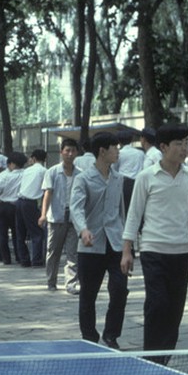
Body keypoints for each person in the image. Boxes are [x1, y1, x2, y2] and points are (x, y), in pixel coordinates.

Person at [121, 123, 188, 361]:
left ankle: (165, 358)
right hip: (153, 250)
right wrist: (127, 251)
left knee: (175, 309)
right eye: (178, 144)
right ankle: (152, 357)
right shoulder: (146, 177)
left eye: (186, 143)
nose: (184, 148)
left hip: (181, 251)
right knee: (157, 304)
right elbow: (134, 214)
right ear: (163, 147)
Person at [70, 131, 128, 348]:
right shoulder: (83, 179)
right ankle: (89, 337)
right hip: (90, 245)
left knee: (120, 289)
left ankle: (111, 334)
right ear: (102, 151)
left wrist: (127, 243)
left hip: (115, 243)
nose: (118, 152)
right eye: (115, 148)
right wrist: (83, 230)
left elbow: (121, 211)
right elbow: (76, 208)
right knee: (88, 295)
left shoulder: (118, 178)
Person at [40, 138, 82, 294]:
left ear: (77, 153)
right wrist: (43, 214)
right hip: (56, 216)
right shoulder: (52, 172)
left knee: (73, 252)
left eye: (73, 151)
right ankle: (51, 281)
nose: (70, 154)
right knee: (53, 251)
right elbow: (47, 194)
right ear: (61, 152)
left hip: (74, 218)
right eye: (67, 151)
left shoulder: (80, 174)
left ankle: (70, 284)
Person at [17, 149, 48, 269]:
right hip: (31, 203)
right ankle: (37, 260)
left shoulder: (26, 170)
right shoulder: (44, 171)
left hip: (19, 201)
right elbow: (46, 189)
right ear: (45, 159)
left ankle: (24, 260)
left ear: (33, 159)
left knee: (20, 232)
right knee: (37, 232)